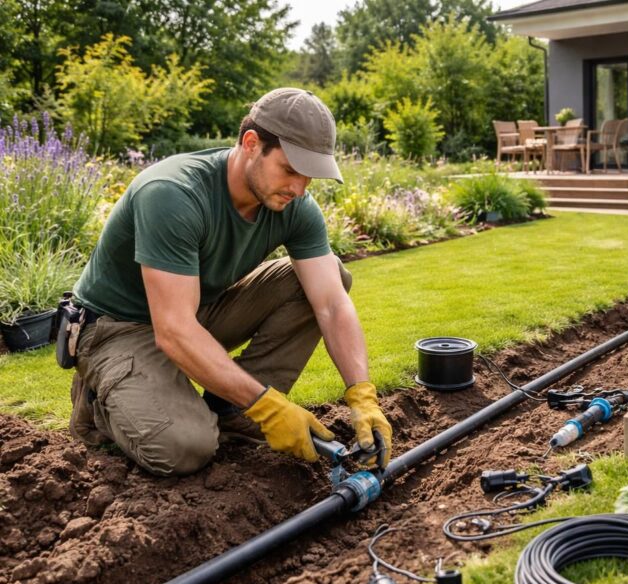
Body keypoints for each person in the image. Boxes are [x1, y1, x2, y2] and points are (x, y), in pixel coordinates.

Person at [66, 87, 392, 477]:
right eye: (290, 170)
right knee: (185, 447)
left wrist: (362, 394)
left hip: (196, 309)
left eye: (310, 177)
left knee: (330, 276)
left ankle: (236, 412)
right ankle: (99, 400)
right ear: (251, 143)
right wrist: (268, 404)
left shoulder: (295, 207)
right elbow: (173, 330)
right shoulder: (173, 194)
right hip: (117, 328)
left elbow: (332, 304)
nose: (300, 189)